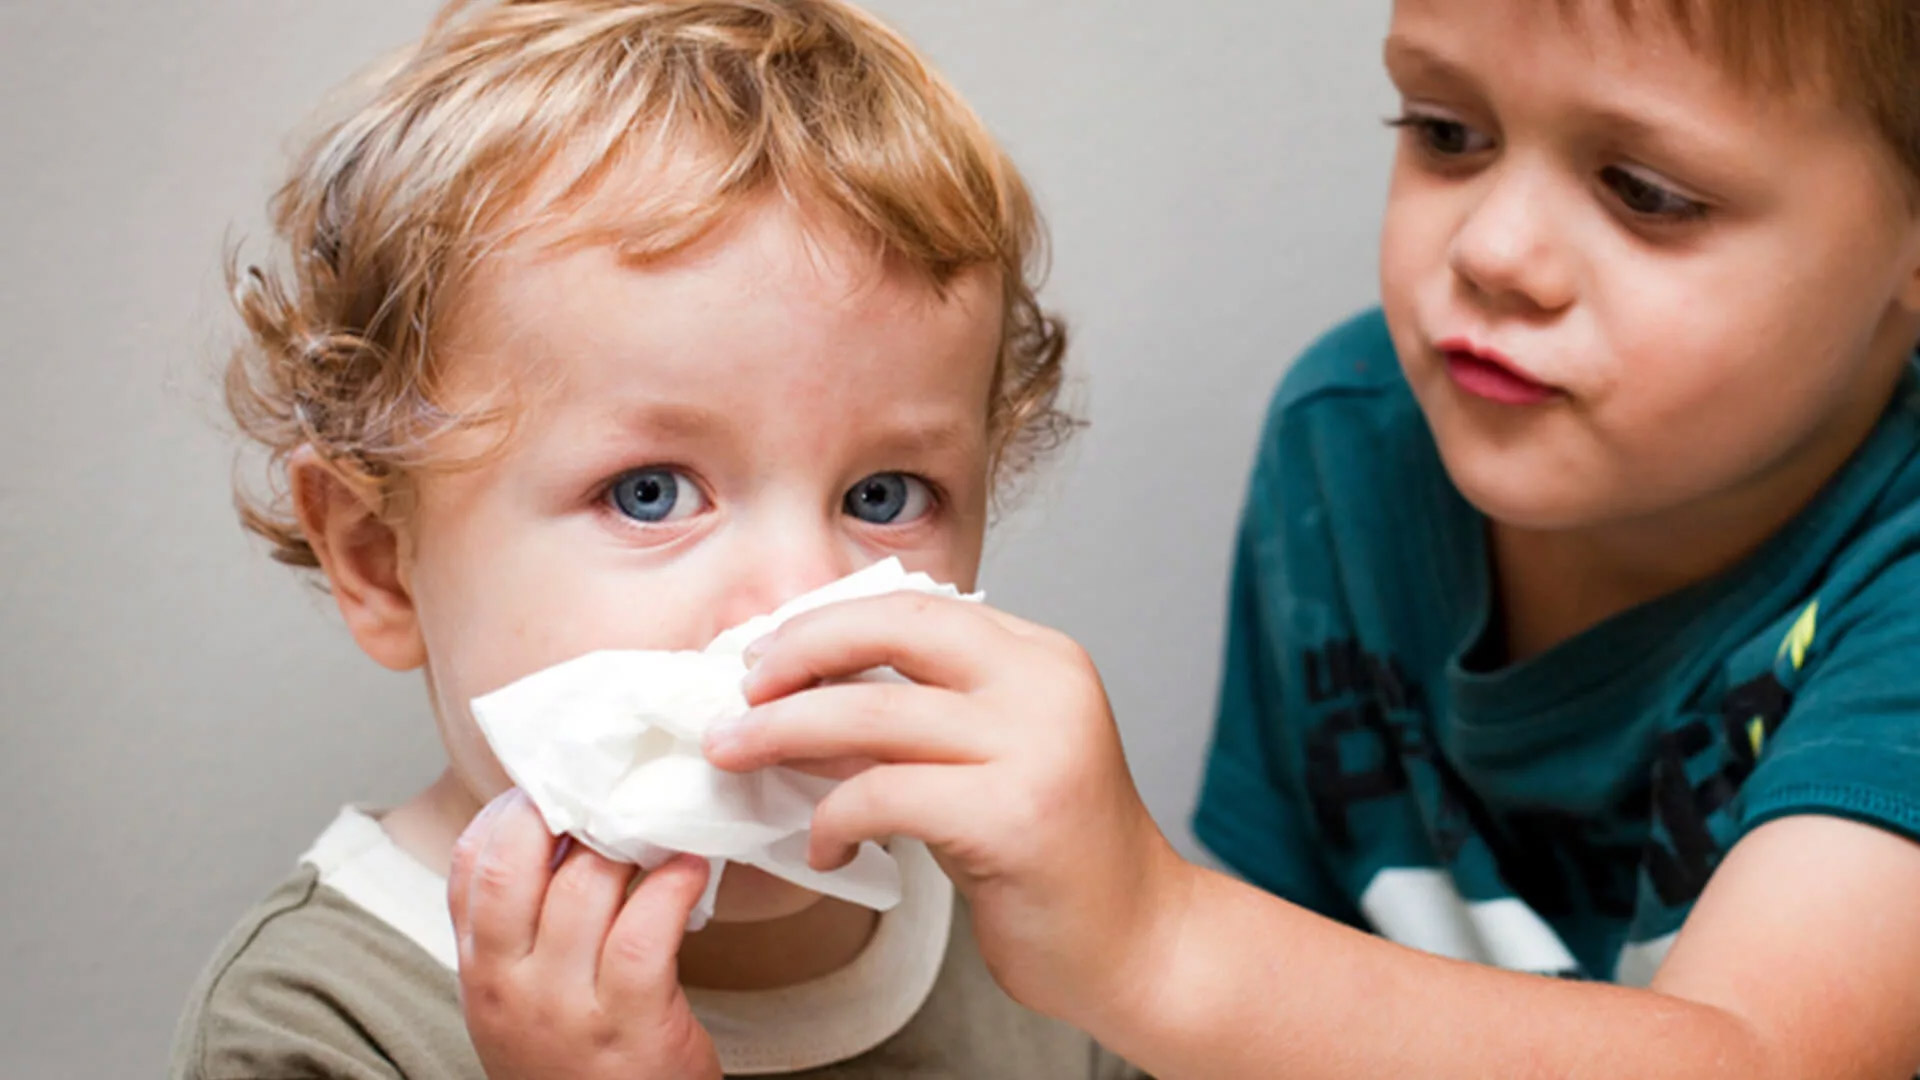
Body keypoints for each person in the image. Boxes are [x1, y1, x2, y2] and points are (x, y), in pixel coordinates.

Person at [701, 0, 1920, 1075]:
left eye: (1646, 193)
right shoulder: (1355, 447)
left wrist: (1155, 937)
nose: (1494, 254)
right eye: (1447, 132)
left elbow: (1767, 1054)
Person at [168, 1, 1137, 1077]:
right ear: (378, 560)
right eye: (648, 493)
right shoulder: (319, 1021)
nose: (800, 601)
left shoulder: (1041, 929)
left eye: (882, 495)